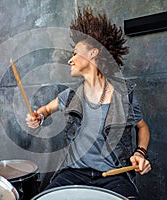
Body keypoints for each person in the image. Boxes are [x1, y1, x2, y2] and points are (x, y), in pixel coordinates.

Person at [26, 7, 151, 199]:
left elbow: (142, 127)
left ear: (93, 53)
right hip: (73, 174)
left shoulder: (124, 95)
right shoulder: (69, 96)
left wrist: (140, 154)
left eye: (75, 53)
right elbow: (45, 110)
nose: (70, 59)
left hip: (113, 177)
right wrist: (39, 117)